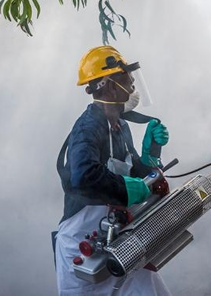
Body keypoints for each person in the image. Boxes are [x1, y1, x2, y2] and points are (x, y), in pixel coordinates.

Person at [54, 46, 172, 295]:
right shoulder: (87, 128)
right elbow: (84, 176)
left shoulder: (120, 125)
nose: (131, 85)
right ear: (107, 85)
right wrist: (124, 188)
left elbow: (133, 174)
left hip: (117, 241)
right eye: (125, 78)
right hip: (82, 248)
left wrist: (151, 155)